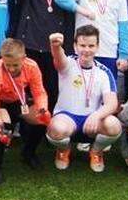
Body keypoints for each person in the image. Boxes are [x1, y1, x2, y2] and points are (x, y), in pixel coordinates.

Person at [11, 0, 70, 167]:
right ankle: (27, 145)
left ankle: (39, 141)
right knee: (28, 99)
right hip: (30, 49)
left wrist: (68, 48)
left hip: (53, 50)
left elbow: (68, 15)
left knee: (50, 97)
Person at [0, 37, 48, 185]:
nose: (11, 69)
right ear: (2, 58)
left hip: (16, 98)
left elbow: (39, 93)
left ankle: (28, 153)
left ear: (24, 58)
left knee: (41, 119)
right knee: (4, 126)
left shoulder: (32, 66)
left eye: (15, 65)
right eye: (8, 65)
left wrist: (42, 108)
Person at [45, 29, 120, 173]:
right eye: (82, 45)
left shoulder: (104, 72)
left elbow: (112, 103)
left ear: (97, 47)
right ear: (75, 46)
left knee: (114, 125)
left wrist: (96, 115)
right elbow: (59, 60)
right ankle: (63, 150)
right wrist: (55, 46)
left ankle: (96, 151)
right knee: (56, 129)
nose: (86, 50)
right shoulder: (68, 63)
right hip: (67, 118)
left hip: (92, 121)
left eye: (91, 46)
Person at [55, 0, 128, 78]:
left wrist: (123, 55)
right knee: (83, 90)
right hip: (84, 50)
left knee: (108, 90)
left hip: (108, 50)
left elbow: (124, 26)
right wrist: (82, 10)